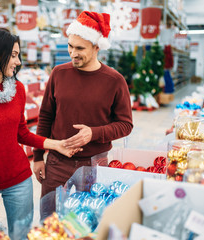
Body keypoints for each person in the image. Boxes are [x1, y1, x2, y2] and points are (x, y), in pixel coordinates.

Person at [0, 28, 81, 240]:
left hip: (19, 182)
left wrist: (56, 144)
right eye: (13, 55)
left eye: (18, 55)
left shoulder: (17, 89)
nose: (18, 62)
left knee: (22, 236)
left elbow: (21, 133)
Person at [33, 11, 133, 219]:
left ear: (97, 47)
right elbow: (45, 116)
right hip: (57, 163)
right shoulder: (59, 74)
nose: (72, 53)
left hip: (94, 166)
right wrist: (37, 157)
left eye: (80, 48)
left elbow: (125, 124)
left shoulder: (114, 80)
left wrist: (93, 133)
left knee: (88, 222)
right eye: (70, 46)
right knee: (49, 221)